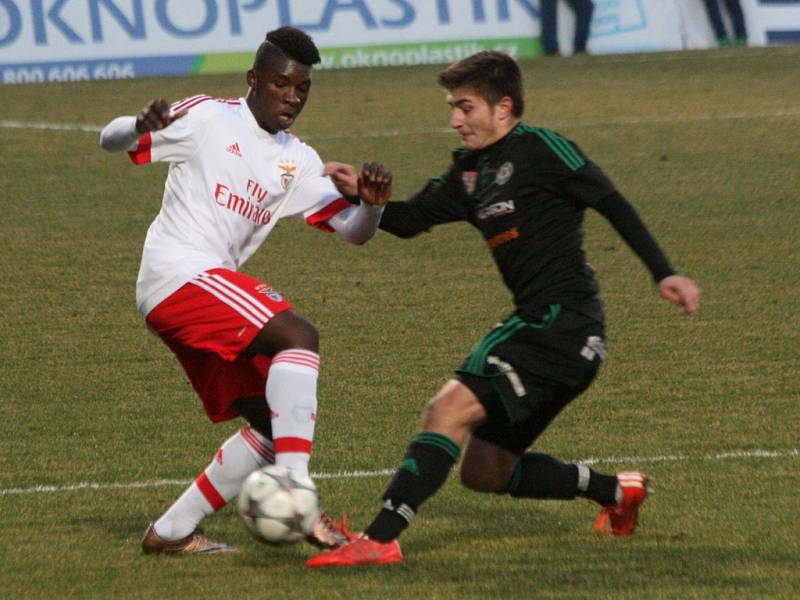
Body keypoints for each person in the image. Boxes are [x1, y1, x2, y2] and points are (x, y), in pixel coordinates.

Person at [309, 50, 701, 567]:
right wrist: (368, 197)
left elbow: (611, 202)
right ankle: (615, 491)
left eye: (465, 107)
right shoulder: (469, 173)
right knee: (485, 471)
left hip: (559, 323)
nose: (455, 119)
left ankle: (380, 539)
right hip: (558, 337)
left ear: (504, 107)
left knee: (445, 411)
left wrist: (664, 272)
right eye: (452, 107)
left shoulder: (542, 149)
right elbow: (406, 222)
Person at [99, 27, 391, 554]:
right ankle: (297, 491)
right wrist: (134, 125)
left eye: (302, 88)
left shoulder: (297, 159)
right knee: (298, 336)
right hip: (178, 274)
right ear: (254, 80)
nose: (293, 98)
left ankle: (170, 532)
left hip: (200, 290)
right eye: (282, 84)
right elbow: (110, 139)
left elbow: (353, 231)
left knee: (270, 421)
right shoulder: (210, 117)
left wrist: (371, 205)